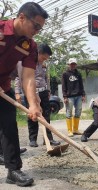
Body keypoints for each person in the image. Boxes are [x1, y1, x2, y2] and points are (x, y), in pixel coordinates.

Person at [0, 2, 48, 187]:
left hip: (4, 87)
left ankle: (13, 170)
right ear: (21, 17)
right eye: (35, 25)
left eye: (40, 28)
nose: (37, 30)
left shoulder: (30, 46)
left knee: (9, 125)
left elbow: (28, 76)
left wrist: (33, 104)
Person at [15, 44, 60, 147]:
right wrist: (17, 92)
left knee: (46, 115)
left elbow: (46, 78)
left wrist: (48, 90)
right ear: (38, 53)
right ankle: (33, 139)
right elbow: (19, 77)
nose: (44, 60)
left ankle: (48, 139)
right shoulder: (27, 62)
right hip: (30, 93)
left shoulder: (43, 65)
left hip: (43, 92)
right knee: (33, 115)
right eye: (43, 57)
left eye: (46, 59)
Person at [62, 58, 86, 137]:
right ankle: (70, 131)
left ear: (76, 65)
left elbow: (81, 85)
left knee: (78, 112)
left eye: (74, 64)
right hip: (69, 97)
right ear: (69, 65)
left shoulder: (78, 74)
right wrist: (65, 96)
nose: (73, 65)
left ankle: (75, 130)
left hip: (78, 96)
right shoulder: (65, 74)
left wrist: (83, 95)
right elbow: (63, 86)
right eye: (71, 64)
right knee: (69, 113)